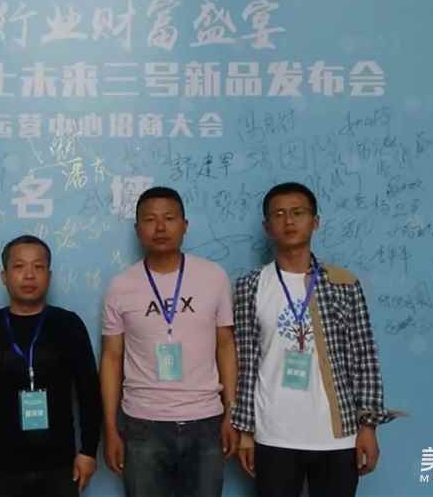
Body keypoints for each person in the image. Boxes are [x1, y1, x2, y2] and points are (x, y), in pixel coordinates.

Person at [231, 182, 396, 497]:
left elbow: (364, 357)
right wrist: (246, 432)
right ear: (267, 227)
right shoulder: (250, 286)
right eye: (279, 214)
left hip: (337, 436)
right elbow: (246, 363)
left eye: (298, 212)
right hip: (273, 434)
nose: (289, 221)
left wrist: (368, 426)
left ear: (315, 221)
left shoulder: (343, 283)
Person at [100, 186, 238, 497]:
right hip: (143, 423)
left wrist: (231, 412)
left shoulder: (213, 276)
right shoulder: (120, 286)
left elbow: (226, 346)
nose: (160, 227)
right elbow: (111, 358)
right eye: (150, 220)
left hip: (206, 420)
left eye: (169, 218)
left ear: (184, 225)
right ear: (138, 229)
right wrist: (110, 428)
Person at [0, 235, 101, 496]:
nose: (29, 275)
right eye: (19, 266)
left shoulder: (69, 325)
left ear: (49, 276)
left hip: (59, 466)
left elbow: (89, 393)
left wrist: (88, 450)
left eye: (38, 267)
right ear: (4, 276)